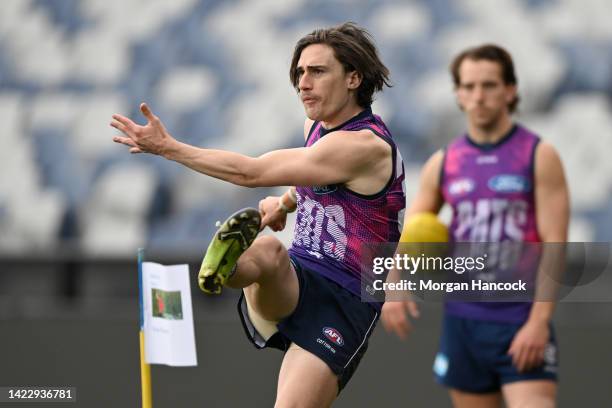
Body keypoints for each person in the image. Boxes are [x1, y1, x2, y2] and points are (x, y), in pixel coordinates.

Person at [111, 22, 406, 407]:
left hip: (346, 299)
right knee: (269, 252)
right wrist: (286, 203)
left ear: (354, 78)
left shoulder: (365, 145)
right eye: (300, 72)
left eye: (317, 71)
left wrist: (169, 148)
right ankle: (226, 268)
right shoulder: (316, 128)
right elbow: (321, 177)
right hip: (300, 275)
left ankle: (231, 264)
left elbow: (251, 173)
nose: (303, 82)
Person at [381, 44, 569, 408]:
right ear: (458, 94)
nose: (478, 96)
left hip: (520, 317)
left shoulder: (537, 155)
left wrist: (538, 321)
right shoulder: (445, 162)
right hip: (463, 321)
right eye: (468, 87)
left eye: (489, 85)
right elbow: (414, 227)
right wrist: (393, 286)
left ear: (510, 91)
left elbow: (555, 242)